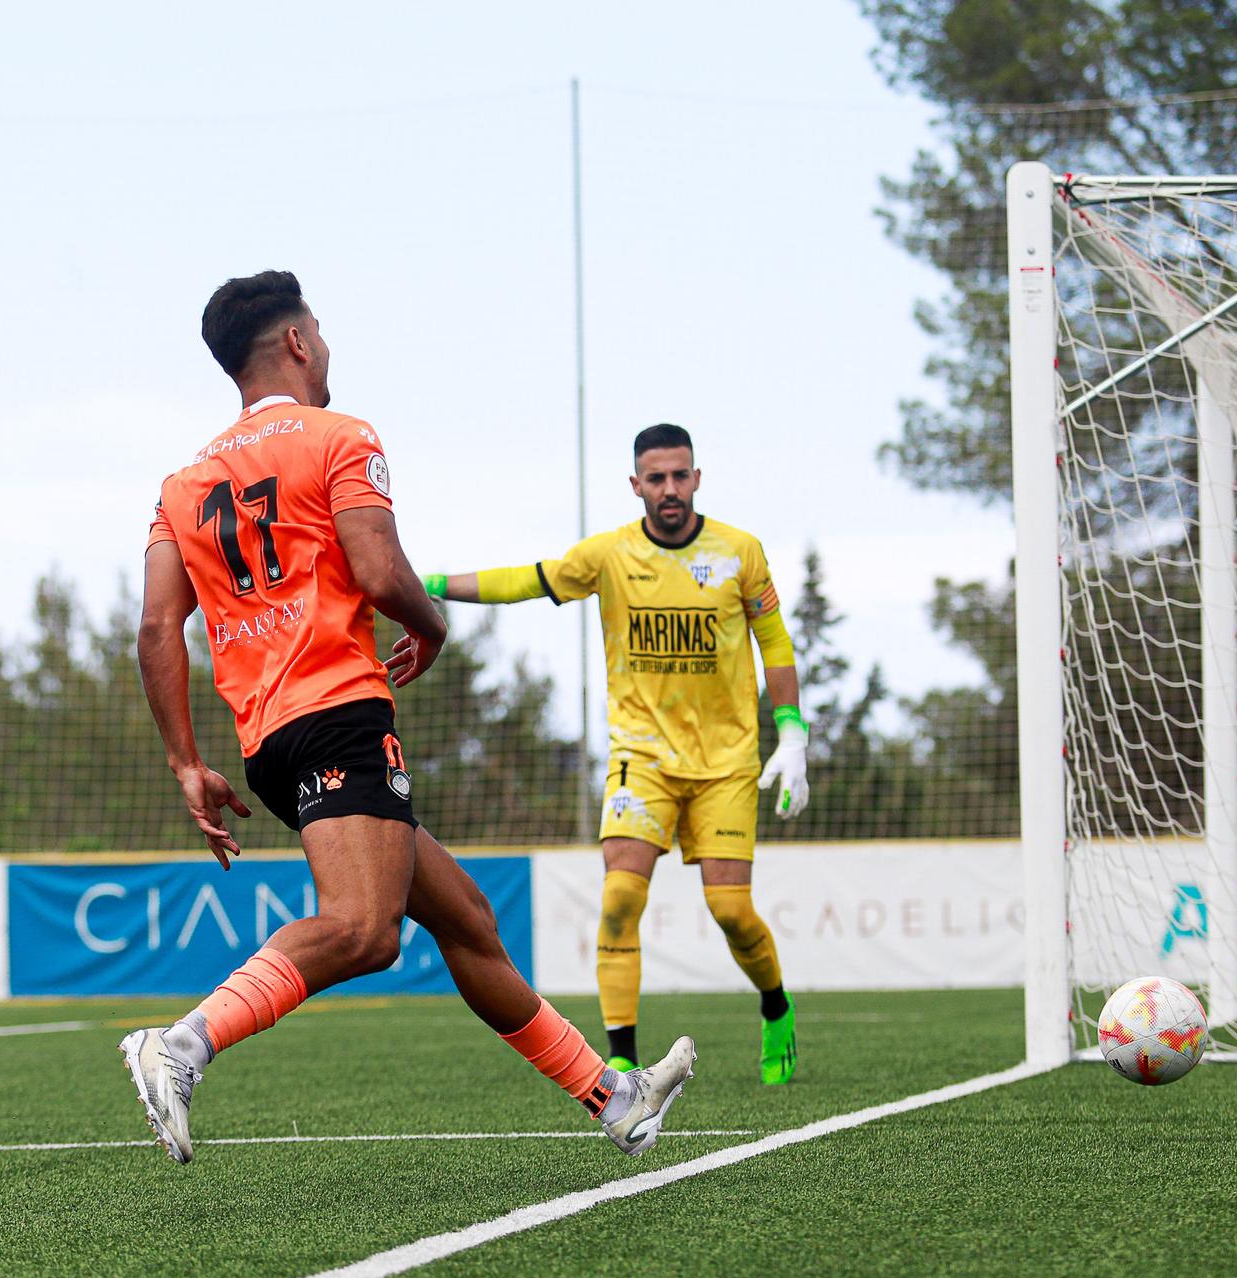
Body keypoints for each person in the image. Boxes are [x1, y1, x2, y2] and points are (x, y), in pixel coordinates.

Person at [120, 270, 695, 1165]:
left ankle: (613, 1096)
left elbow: (159, 627)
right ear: (298, 342)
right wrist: (432, 628)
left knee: (466, 918)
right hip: (341, 710)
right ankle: (182, 1045)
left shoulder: (182, 483)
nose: (326, 341)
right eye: (320, 326)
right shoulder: (340, 436)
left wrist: (184, 763)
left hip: (269, 739)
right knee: (365, 930)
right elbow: (380, 570)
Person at [423, 423, 808, 1084]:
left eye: (679, 475)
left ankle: (776, 1006)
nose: (669, 489)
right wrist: (425, 581)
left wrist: (793, 730)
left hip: (727, 761)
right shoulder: (609, 555)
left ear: (696, 478)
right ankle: (623, 1058)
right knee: (619, 899)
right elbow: (525, 578)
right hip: (642, 758)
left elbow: (774, 639)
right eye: (655, 478)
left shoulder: (740, 553)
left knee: (732, 913)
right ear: (636, 485)